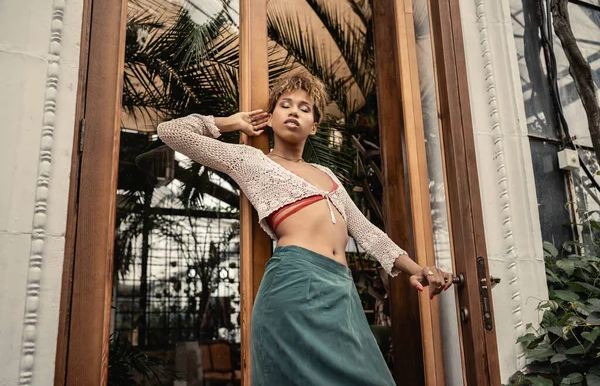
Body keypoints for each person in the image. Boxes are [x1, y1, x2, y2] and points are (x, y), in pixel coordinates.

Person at [157, 72, 452, 385]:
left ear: (314, 126)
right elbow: (171, 132)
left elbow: (369, 233)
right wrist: (232, 122)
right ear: (270, 119)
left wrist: (415, 269)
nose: (294, 111)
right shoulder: (250, 160)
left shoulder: (327, 175)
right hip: (294, 285)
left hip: (341, 291)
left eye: (304, 107)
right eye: (285, 105)